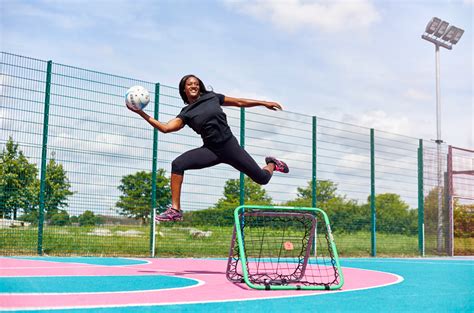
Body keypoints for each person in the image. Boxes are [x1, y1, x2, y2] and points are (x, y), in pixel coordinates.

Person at [127, 74, 289, 222]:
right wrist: (140, 112)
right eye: (189, 84)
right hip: (211, 150)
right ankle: (175, 210)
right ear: (184, 89)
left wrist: (263, 103)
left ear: (200, 86)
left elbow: (239, 102)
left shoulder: (212, 97)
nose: (193, 86)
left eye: (196, 84)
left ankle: (272, 164)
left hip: (230, 147)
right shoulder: (186, 113)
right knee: (178, 164)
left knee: (262, 178)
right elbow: (166, 128)